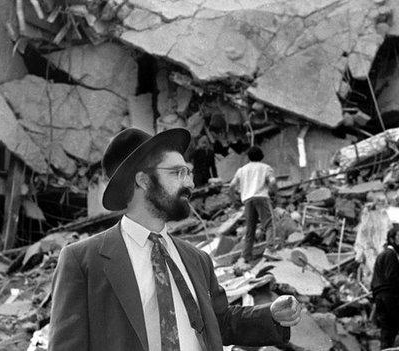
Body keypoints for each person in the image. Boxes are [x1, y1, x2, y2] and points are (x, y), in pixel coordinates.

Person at [48, 128, 301, 351]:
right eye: (177, 173)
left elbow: (218, 322)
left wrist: (270, 314)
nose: (189, 182)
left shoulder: (197, 259)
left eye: (188, 172)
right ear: (143, 180)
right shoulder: (83, 261)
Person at [229, 146, 278, 266]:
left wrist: (234, 200)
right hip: (261, 197)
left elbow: (231, 186)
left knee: (250, 229)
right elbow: (272, 182)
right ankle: (270, 249)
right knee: (269, 224)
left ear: (249, 157)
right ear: (261, 156)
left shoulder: (241, 170)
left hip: (247, 200)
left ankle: (245, 256)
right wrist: (274, 193)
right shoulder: (266, 168)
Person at [371, 229, 399, 349]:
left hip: (379, 298)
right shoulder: (391, 255)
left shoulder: (381, 255)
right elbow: (392, 277)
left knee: (388, 332)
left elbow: (374, 282)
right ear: (392, 240)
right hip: (390, 296)